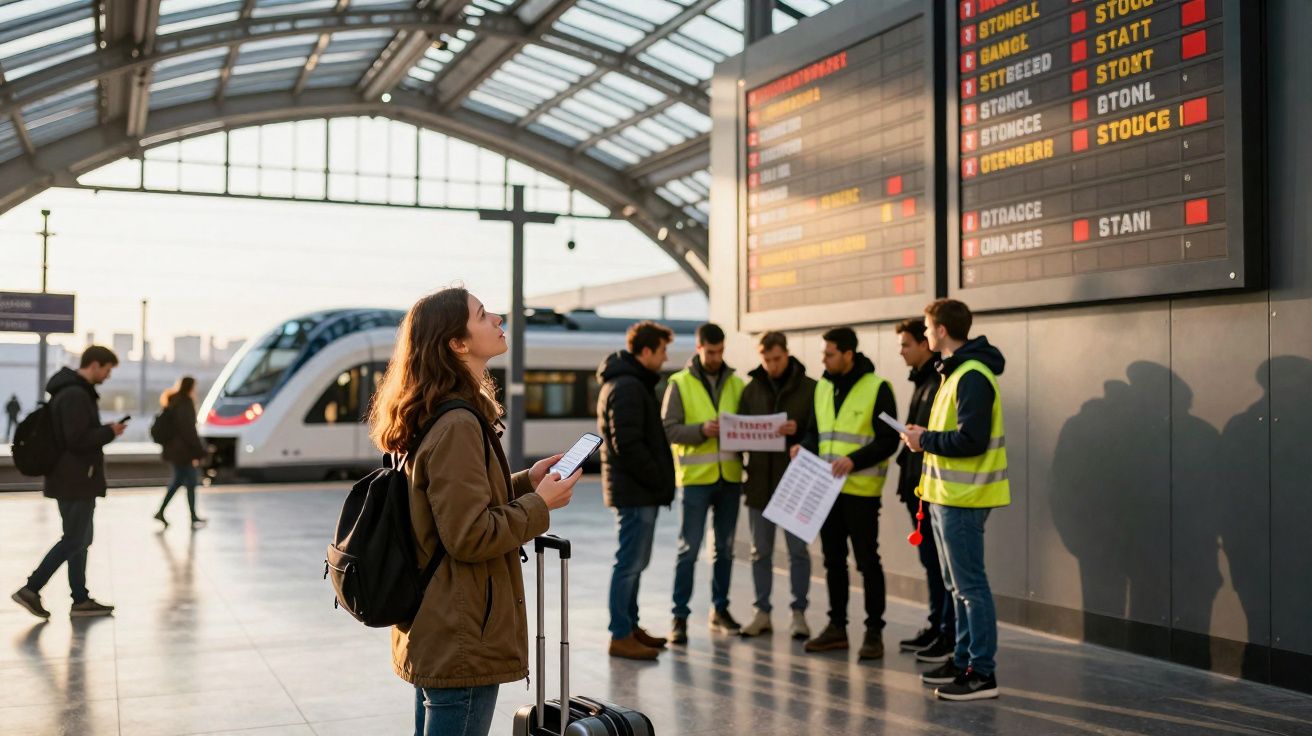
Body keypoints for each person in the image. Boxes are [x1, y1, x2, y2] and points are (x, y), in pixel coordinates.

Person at [369, 287, 580, 736]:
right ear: (457, 344)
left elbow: (448, 506)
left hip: (438, 619)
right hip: (462, 629)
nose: (498, 319)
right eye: (484, 316)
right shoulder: (458, 424)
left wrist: (525, 482)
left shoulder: (436, 414)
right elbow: (470, 535)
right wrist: (541, 505)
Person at [902, 298, 1009, 702]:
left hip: (964, 498)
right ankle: (963, 659)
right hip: (947, 496)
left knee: (970, 587)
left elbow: (971, 439)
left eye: (928, 328)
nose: (926, 334)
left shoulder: (971, 376)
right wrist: (922, 434)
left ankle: (981, 673)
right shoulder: (956, 372)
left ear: (942, 330)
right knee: (955, 585)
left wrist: (923, 439)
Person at [794, 327, 898, 660]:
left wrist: (854, 460)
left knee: (868, 562)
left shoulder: (878, 388)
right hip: (826, 490)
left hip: (862, 491)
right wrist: (803, 448)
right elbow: (815, 433)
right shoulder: (822, 386)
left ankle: (873, 632)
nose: (823, 359)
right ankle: (837, 627)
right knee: (833, 561)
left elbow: (888, 440)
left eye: (829, 353)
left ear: (848, 354)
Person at [11, 346, 126, 619]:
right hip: (75, 479)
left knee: (80, 539)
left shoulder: (72, 391)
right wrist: (109, 432)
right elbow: (77, 439)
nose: (108, 376)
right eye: (107, 370)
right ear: (95, 365)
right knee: (74, 539)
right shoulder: (75, 394)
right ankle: (31, 588)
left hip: (72, 478)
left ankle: (80, 599)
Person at [597, 320, 677, 660]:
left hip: (637, 490)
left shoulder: (630, 382)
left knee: (635, 563)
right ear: (646, 351)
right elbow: (627, 444)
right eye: (661, 351)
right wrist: (658, 478)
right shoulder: (628, 386)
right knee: (628, 563)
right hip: (636, 492)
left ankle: (630, 626)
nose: (664, 357)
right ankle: (620, 633)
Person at [663, 323, 746, 643]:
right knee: (689, 549)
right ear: (698, 348)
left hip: (730, 479)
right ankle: (679, 616)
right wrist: (701, 431)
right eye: (710, 352)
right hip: (696, 480)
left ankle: (720, 610)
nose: (715, 357)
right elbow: (670, 429)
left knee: (724, 550)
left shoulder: (737, 384)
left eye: (720, 351)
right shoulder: (679, 383)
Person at [736, 331, 815, 639]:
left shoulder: (810, 389)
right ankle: (762, 612)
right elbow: (739, 433)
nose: (771, 365)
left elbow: (817, 432)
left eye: (776, 359)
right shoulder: (751, 389)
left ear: (787, 353)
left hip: (795, 485)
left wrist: (798, 433)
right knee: (760, 552)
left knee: (798, 552)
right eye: (766, 360)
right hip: (759, 484)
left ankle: (799, 614)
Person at [892, 317, 955, 663]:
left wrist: (921, 435)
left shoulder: (939, 380)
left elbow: (943, 435)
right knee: (931, 562)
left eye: (906, 344)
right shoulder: (923, 381)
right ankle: (937, 625)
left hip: (933, 486)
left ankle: (947, 632)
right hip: (917, 482)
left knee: (943, 566)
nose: (901, 351)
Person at [154, 376, 208, 528]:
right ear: (191, 387)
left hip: (174, 450)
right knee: (190, 481)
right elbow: (189, 430)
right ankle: (191, 516)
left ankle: (164, 512)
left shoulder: (172, 401)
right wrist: (200, 450)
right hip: (183, 451)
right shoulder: (185, 403)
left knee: (180, 481)